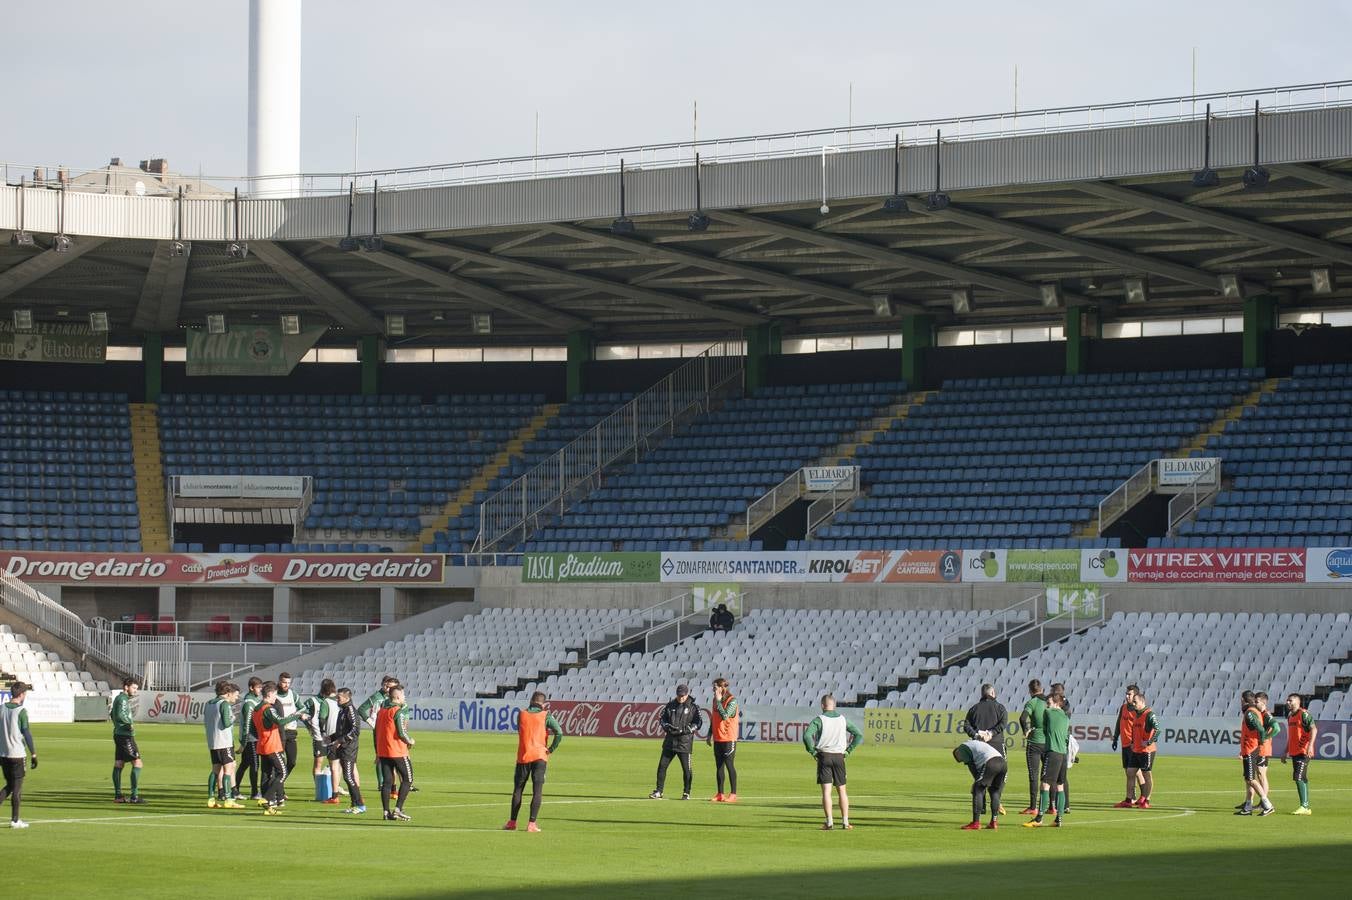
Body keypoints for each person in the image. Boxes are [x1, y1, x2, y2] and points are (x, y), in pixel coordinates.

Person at [504, 691, 563, 832]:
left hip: (523, 756)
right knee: (537, 791)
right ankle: (531, 824)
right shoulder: (545, 715)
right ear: (543, 704)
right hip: (539, 756)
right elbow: (559, 732)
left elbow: (520, 729)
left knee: (518, 790)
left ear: (531, 701)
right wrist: (551, 749)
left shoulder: (521, 714)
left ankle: (512, 822)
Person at [803, 693, 862, 830]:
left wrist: (812, 751)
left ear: (822, 706)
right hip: (839, 757)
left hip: (824, 756)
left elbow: (806, 736)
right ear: (834, 705)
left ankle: (829, 822)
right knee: (842, 791)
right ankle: (845, 822)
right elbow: (858, 735)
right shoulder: (843, 719)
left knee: (826, 792)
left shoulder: (819, 719)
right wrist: (848, 750)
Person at [251, 681, 309, 815]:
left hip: (262, 745)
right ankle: (266, 799)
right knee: (282, 772)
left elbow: (253, 729)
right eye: (275, 695)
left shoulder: (256, 709)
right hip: (272, 745)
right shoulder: (268, 708)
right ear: (270, 694)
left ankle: (269, 807)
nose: (275, 698)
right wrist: (297, 715)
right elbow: (280, 721)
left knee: (266, 775)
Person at [1023, 690, 1070, 828]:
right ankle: (1059, 819)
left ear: (1056, 703)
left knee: (1045, 784)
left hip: (1052, 753)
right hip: (1063, 754)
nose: (1046, 706)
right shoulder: (1066, 717)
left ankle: (1039, 818)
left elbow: (1040, 726)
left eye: (1048, 703)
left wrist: (1030, 731)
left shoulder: (1048, 713)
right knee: (1060, 785)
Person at [650, 684, 703, 800]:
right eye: (679, 695)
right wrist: (667, 727)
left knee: (686, 769)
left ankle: (686, 792)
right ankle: (659, 791)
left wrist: (686, 730)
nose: (681, 698)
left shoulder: (694, 707)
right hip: (670, 741)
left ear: (687, 694)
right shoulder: (670, 705)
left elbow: (698, 723)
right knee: (662, 767)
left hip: (684, 743)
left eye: (683, 696)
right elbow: (662, 719)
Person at [961, 683, 1007, 814]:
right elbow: (1003, 724)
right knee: (1000, 776)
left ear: (982, 694)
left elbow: (966, 725)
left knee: (981, 776)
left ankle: (981, 806)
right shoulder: (1000, 708)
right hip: (997, 745)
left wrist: (975, 734)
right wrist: (991, 733)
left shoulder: (974, 708)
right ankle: (996, 802)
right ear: (992, 693)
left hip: (979, 747)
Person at [376, 684, 415, 821]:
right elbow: (401, 731)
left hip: (383, 751)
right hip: (397, 751)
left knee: (387, 782)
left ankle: (386, 812)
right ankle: (398, 809)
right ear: (397, 697)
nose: (404, 697)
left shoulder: (381, 711)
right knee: (408, 779)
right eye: (403, 695)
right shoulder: (397, 711)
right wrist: (409, 740)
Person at [0, 681, 37, 829]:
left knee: (9, 785)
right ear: (21, 694)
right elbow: (26, 733)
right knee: (17, 788)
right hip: (17, 754)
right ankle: (15, 820)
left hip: (3, 754)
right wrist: (33, 753)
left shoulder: (1, 708)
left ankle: (15, 820)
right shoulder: (21, 711)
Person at [204, 680, 244, 809]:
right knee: (229, 769)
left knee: (215, 770)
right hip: (224, 742)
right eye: (234, 695)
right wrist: (234, 716)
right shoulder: (224, 704)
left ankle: (211, 798)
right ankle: (228, 798)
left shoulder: (209, 703)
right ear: (228, 693)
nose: (236, 697)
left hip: (212, 742)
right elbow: (227, 723)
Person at [303, 678, 343, 803]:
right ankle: (319, 788)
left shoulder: (336, 701)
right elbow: (301, 712)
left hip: (331, 737)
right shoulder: (313, 701)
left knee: (335, 764)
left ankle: (334, 788)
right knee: (319, 763)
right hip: (319, 736)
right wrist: (308, 726)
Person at [328, 687, 366, 815]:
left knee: (348, 777)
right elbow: (342, 730)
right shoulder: (343, 710)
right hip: (344, 747)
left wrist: (341, 740)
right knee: (347, 776)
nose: (337, 700)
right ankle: (354, 804)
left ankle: (360, 804)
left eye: (339, 698)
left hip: (349, 749)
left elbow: (355, 730)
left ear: (347, 698)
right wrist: (332, 739)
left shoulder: (350, 710)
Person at [953, 738, 1005, 830]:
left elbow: (972, 768)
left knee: (977, 789)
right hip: (1002, 763)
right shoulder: (973, 744)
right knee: (994, 791)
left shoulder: (962, 748)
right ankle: (994, 822)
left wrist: (978, 783)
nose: (961, 761)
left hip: (991, 762)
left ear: (957, 752)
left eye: (959, 759)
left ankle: (975, 823)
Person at [1236, 690, 1274, 816]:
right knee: (1248, 778)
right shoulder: (1252, 711)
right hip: (1249, 749)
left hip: (1251, 749)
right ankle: (1248, 807)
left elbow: (1261, 729)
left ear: (1243, 700)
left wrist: (1262, 740)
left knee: (1251, 779)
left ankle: (1267, 804)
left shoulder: (1251, 713)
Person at [359, 675, 399, 792]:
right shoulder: (377, 697)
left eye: (389, 685)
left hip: (390, 730)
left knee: (393, 756)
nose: (387, 687)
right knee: (380, 756)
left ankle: (392, 785)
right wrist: (372, 723)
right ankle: (381, 783)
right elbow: (361, 709)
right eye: (385, 685)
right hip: (379, 730)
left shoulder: (393, 698)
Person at [110, 676, 145, 804]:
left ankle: (118, 796)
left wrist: (118, 726)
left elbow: (112, 714)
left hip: (119, 734)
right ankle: (134, 796)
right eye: (134, 688)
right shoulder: (123, 699)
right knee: (137, 763)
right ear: (126, 687)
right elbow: (120, 715)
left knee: (119, 763)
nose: (135, 690)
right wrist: (128, 725)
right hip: (125, 736)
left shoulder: (119, 699)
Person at [1111, 683, 1146, 808]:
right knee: (1128, 772)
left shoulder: (1138, 711)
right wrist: (1115, 738)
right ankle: (1132, 798)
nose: (1127, 696)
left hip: (1134, 746)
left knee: (1137, 772)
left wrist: (1135, 743)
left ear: (1136, 696)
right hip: (1124, 745)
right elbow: (1119, 722)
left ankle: (1143, 797)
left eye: (1129, 694)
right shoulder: (1123, 707)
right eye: (1126, 694)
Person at [1282, 693, 1317, 815]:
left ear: (1298, 702)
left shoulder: (1304, 714)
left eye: (1290, 700)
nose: (1288, 702)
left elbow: (1314, 729)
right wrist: (1285, 751)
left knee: (1298, 777)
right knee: (1303, 778)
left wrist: (1310, 746)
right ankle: (1306, 806)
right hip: (1294, 751)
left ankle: (1304, 806)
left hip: (1304, 751)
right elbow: (1291, 736)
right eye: (1287, 700)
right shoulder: (1290, 715)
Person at [1017, 679, 1047, 815]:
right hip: (1048, 743)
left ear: (1030, 691)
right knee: (1048, 776)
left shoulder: (1032, 702)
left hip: (1034, 742)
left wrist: (1025, 731)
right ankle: (1051, 807)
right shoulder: (1049, 702)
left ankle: (1033, 807)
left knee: (1034, 775)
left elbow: (1022, 718)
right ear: (1041, 689)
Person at [1126, 691, 1160, 810]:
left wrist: (1149, 742)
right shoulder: (1136, 714)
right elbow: (1136, 731)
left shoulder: (1149, 714)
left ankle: (1147, 799)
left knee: (1147, 774)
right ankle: (1129, 800)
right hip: (1136, 750)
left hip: (1147, 751)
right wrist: (1132, 743)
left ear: (1142, 702)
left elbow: (1158, 730)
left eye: (1135, 702)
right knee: (1130, 772)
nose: (1133, 704)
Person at [707, 677, 739, 802]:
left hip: (729, 738)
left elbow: (725, 716)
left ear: (722, 688)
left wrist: (719, 701)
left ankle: (733, 794)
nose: (713, 690)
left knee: (729, 765)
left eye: (715, 688)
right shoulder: (715, 701)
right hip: (718, 738)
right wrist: (709, 734)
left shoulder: (732, 700)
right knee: (719, 766)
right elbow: (714, 718)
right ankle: (720, 793)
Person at [238, 677, 264, 800]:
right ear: (251, 688)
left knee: (245, 764)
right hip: (251, 738)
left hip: (253, 738)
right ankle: (254, 792)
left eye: (260, 687)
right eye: (258, 687)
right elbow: (247, 724)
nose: (260, 689)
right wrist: (244, 742)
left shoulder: (254, 700)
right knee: (254, 764)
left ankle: (235, 789)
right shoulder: (249, 703)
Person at [275, 672, 303, 784]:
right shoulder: (274, 695)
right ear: (279, 681)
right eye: (284, 682)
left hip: (291, 731)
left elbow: (303, 708)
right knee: (279, 762)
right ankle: (277, 788)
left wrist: (297, 714)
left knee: (292, 762)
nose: (286, 685)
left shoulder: (293, 694)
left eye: (288, 683)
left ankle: (278, 784)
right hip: (278, 732)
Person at [1255, 692, 1280, 807]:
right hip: (1259, 748)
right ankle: (1262, 801)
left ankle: (1264, 801)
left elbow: (1277, 728)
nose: (1255, 704)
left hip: (1263, 749)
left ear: (1263, 702)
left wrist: (1265, 737)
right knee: (1260, 774)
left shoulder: (1266, 714)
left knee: (1261, 774)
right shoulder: (1259, 714)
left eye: (1257, 702)